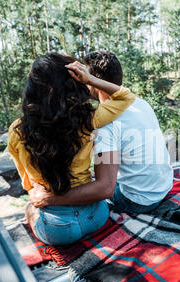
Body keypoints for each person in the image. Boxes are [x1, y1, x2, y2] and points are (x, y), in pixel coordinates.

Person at [8, 52, 135, 245]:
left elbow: (27, 184)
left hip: (56, 229)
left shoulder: (17, 131)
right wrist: (91, 79)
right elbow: (125, 96)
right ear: (73, 84)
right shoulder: (88, 119)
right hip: (96, 215)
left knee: (30, 206)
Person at [28, 51, 173, 215]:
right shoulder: (140, 103)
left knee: (89, 193)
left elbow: (104, 189)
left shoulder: (106, 124)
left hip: (139, 201)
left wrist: (49, 198)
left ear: (91, 82)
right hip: (164, 186)